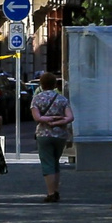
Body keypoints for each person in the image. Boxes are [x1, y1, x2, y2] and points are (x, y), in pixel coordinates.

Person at [30, 72, 74, 201]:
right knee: (55, 162)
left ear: (41, 84)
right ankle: (56, 190)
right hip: (60, 134)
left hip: (43, 134)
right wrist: (57, 121)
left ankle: (51, 193)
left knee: (47, 163)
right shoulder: (61, 99)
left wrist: (48, 120)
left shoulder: (37, 99)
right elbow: (70, 117)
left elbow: (36, 117)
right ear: (55, 84)